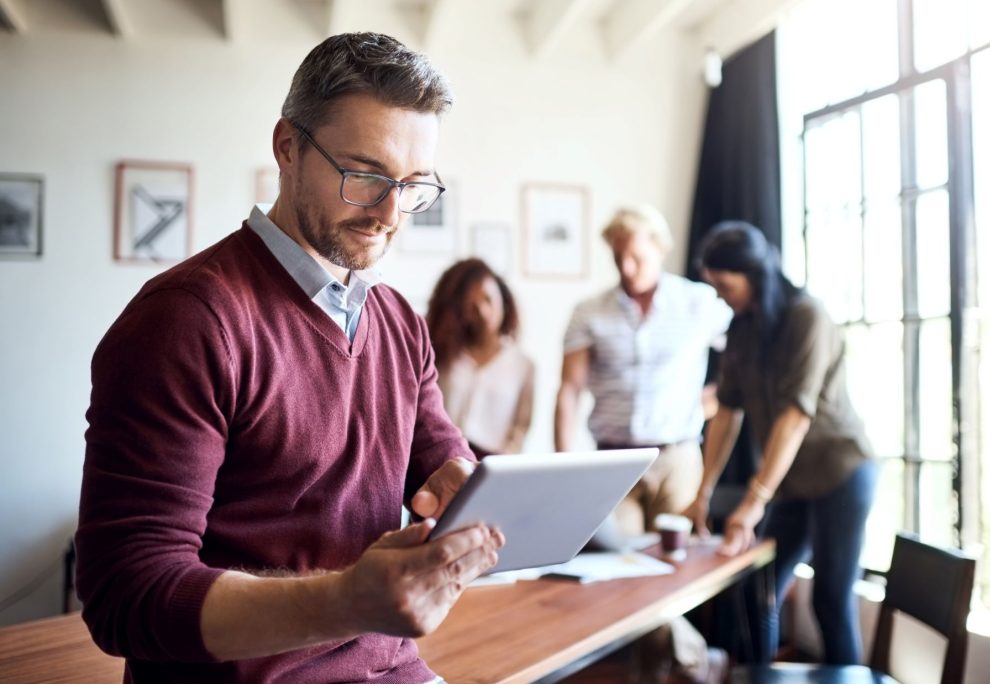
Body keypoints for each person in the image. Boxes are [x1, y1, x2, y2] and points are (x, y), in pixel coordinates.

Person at [75, 32, 504, 683]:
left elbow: (439, 449)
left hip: (391, 670)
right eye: (364, 176)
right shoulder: (186, 319)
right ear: (287, 147)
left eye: (412, 185)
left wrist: (460, 483)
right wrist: (346, 601)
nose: (390, 214)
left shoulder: (399, 322)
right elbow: (124, 596)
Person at [684, 221, 879, 666]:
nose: (719, 294)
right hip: (792, 482)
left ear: (754, 274)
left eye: (724, 284)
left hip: (840, 474)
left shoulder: (806, 316)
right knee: (759, 586)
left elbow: (794, 418)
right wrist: (703, 490)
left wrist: (753, 501)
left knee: (829, 599)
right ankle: (760, 677)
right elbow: (727, 412)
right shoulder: (742, 329)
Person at [555, 204, 732, 684]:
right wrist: (566, 465)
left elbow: (743, 360)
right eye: (617, 258)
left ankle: (650, 674)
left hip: (678, 456)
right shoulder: (589, 311)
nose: (626, 267)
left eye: (634, 256)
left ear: (660, 248)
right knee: (625, 575)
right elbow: (570, 390)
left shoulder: (699, 302)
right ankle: (696, 658)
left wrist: (712, 402)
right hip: (615, 460)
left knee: (677, 569)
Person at [425, 258, 535, 458]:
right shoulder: (440, 356)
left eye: (488, 300)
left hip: (494, 466)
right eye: (472, 306)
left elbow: (520, 430)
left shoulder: (523, 365)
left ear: (502, 298)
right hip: (442, 463)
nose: (483, 313)